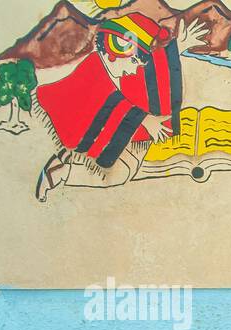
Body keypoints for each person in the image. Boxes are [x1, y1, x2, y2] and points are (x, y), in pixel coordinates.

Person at [33, 14, 208, 201]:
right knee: (119, 174)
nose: (134, 70)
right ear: (115, 51)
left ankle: (64, 167)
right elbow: (108, 102)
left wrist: (177, 48)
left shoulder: (113, 65)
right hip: (77, 124)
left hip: (108, 126)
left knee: (126, 170)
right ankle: (61, 172)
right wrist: (145, 119)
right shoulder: (93, 67)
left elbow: (152, 65)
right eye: (134, 61)